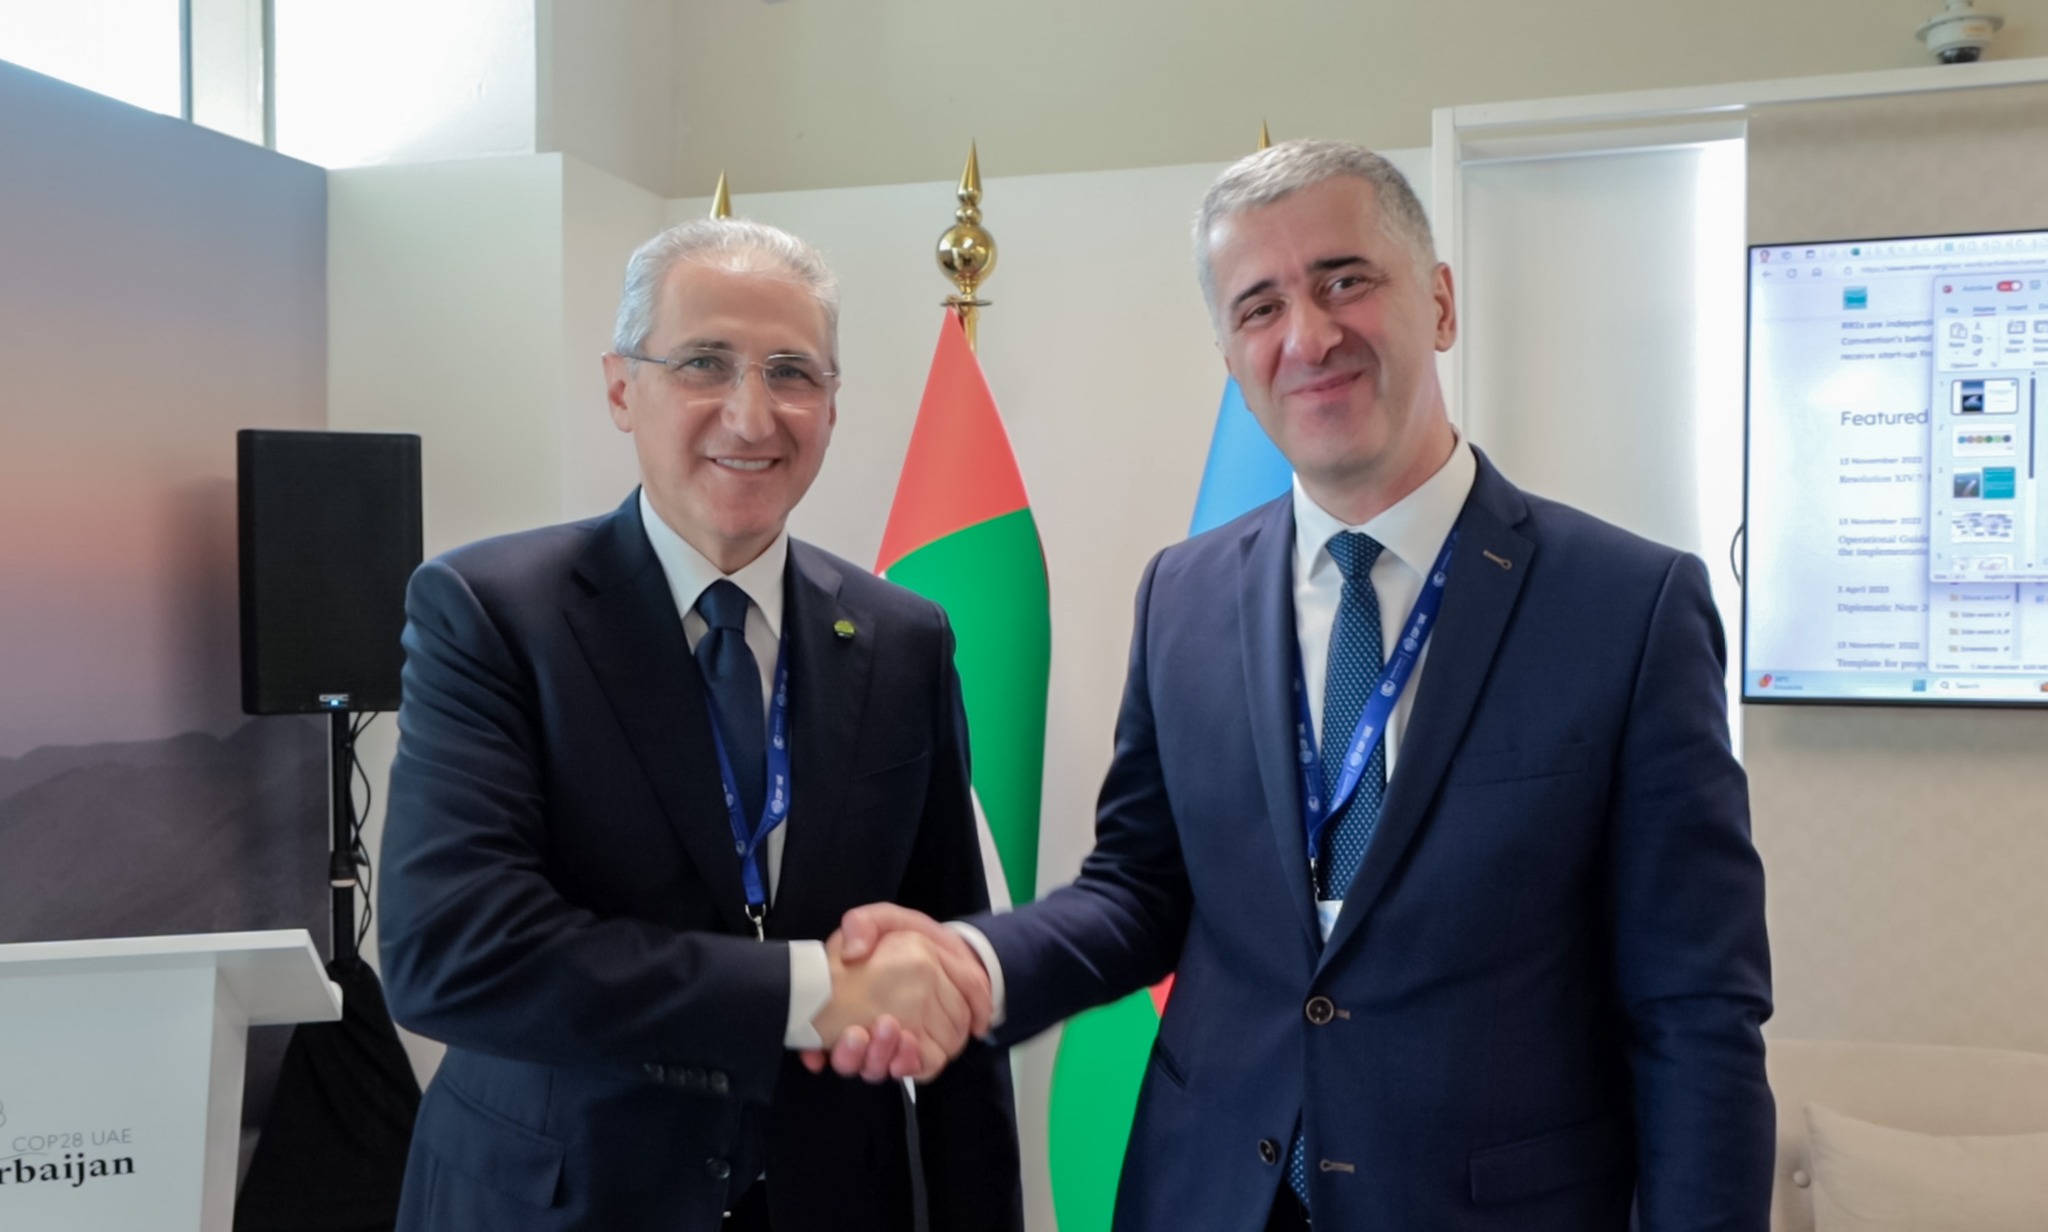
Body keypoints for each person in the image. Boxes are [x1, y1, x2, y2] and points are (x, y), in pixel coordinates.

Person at [821, 140, 1775, 1231]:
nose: (1307, 336)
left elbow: (1696, 1010)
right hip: (1208, 1195)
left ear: (1439, 303)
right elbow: (1140, 888)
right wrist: (973, 961)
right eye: (1259, 306)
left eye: (1343, 280)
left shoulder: (1627, 607)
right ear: (1230, 356)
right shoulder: (1182, 594)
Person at [376, 217, 1022, 1232]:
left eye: (791, 372)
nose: (751, 414)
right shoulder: (490, 613)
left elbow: (946, 971)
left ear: (832, 404)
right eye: (704, 363)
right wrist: (812, 988)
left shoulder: (904, 639)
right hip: (561, 1201)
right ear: (620, 389)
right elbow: (453, 953)